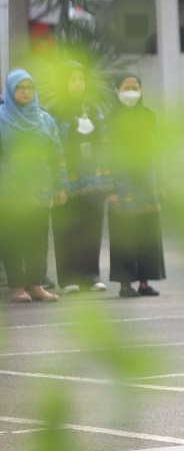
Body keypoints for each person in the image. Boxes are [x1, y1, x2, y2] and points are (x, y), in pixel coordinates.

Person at [1, 69, 67, 303]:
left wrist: (61, 186)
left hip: (40, 190)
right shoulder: (1, 118)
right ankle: (18, 287)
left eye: (30, 87)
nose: (26, 92)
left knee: (38, 239)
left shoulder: (44, 120)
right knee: (12, 239)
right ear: (11, 90)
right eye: (20, 88)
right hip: (9, 192)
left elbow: (56, 154)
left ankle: (37, 285)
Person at [50, 62, 112, 293]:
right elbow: (52, 146)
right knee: (67, 229)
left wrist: (107, 176)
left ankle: (90, 274)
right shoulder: (54, 111)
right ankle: (68, 278)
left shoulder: (94, 109)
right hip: (67, 181)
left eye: (81, 79)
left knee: (91, 228)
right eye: (72, 79)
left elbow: (105, 142)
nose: (77, 84)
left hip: (93, 180)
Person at [106, 74, 166, 298]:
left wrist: (160, 181)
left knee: (148, 236)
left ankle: (144, 282)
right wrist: (110, 189)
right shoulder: (111, 120)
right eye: (126, 86)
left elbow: (159, 149)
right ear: (117, 90)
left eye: (135, 86)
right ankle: (125, 285)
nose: (131, 91)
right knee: (124, 237)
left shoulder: (149, 116)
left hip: (147, 185)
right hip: (121, 186)